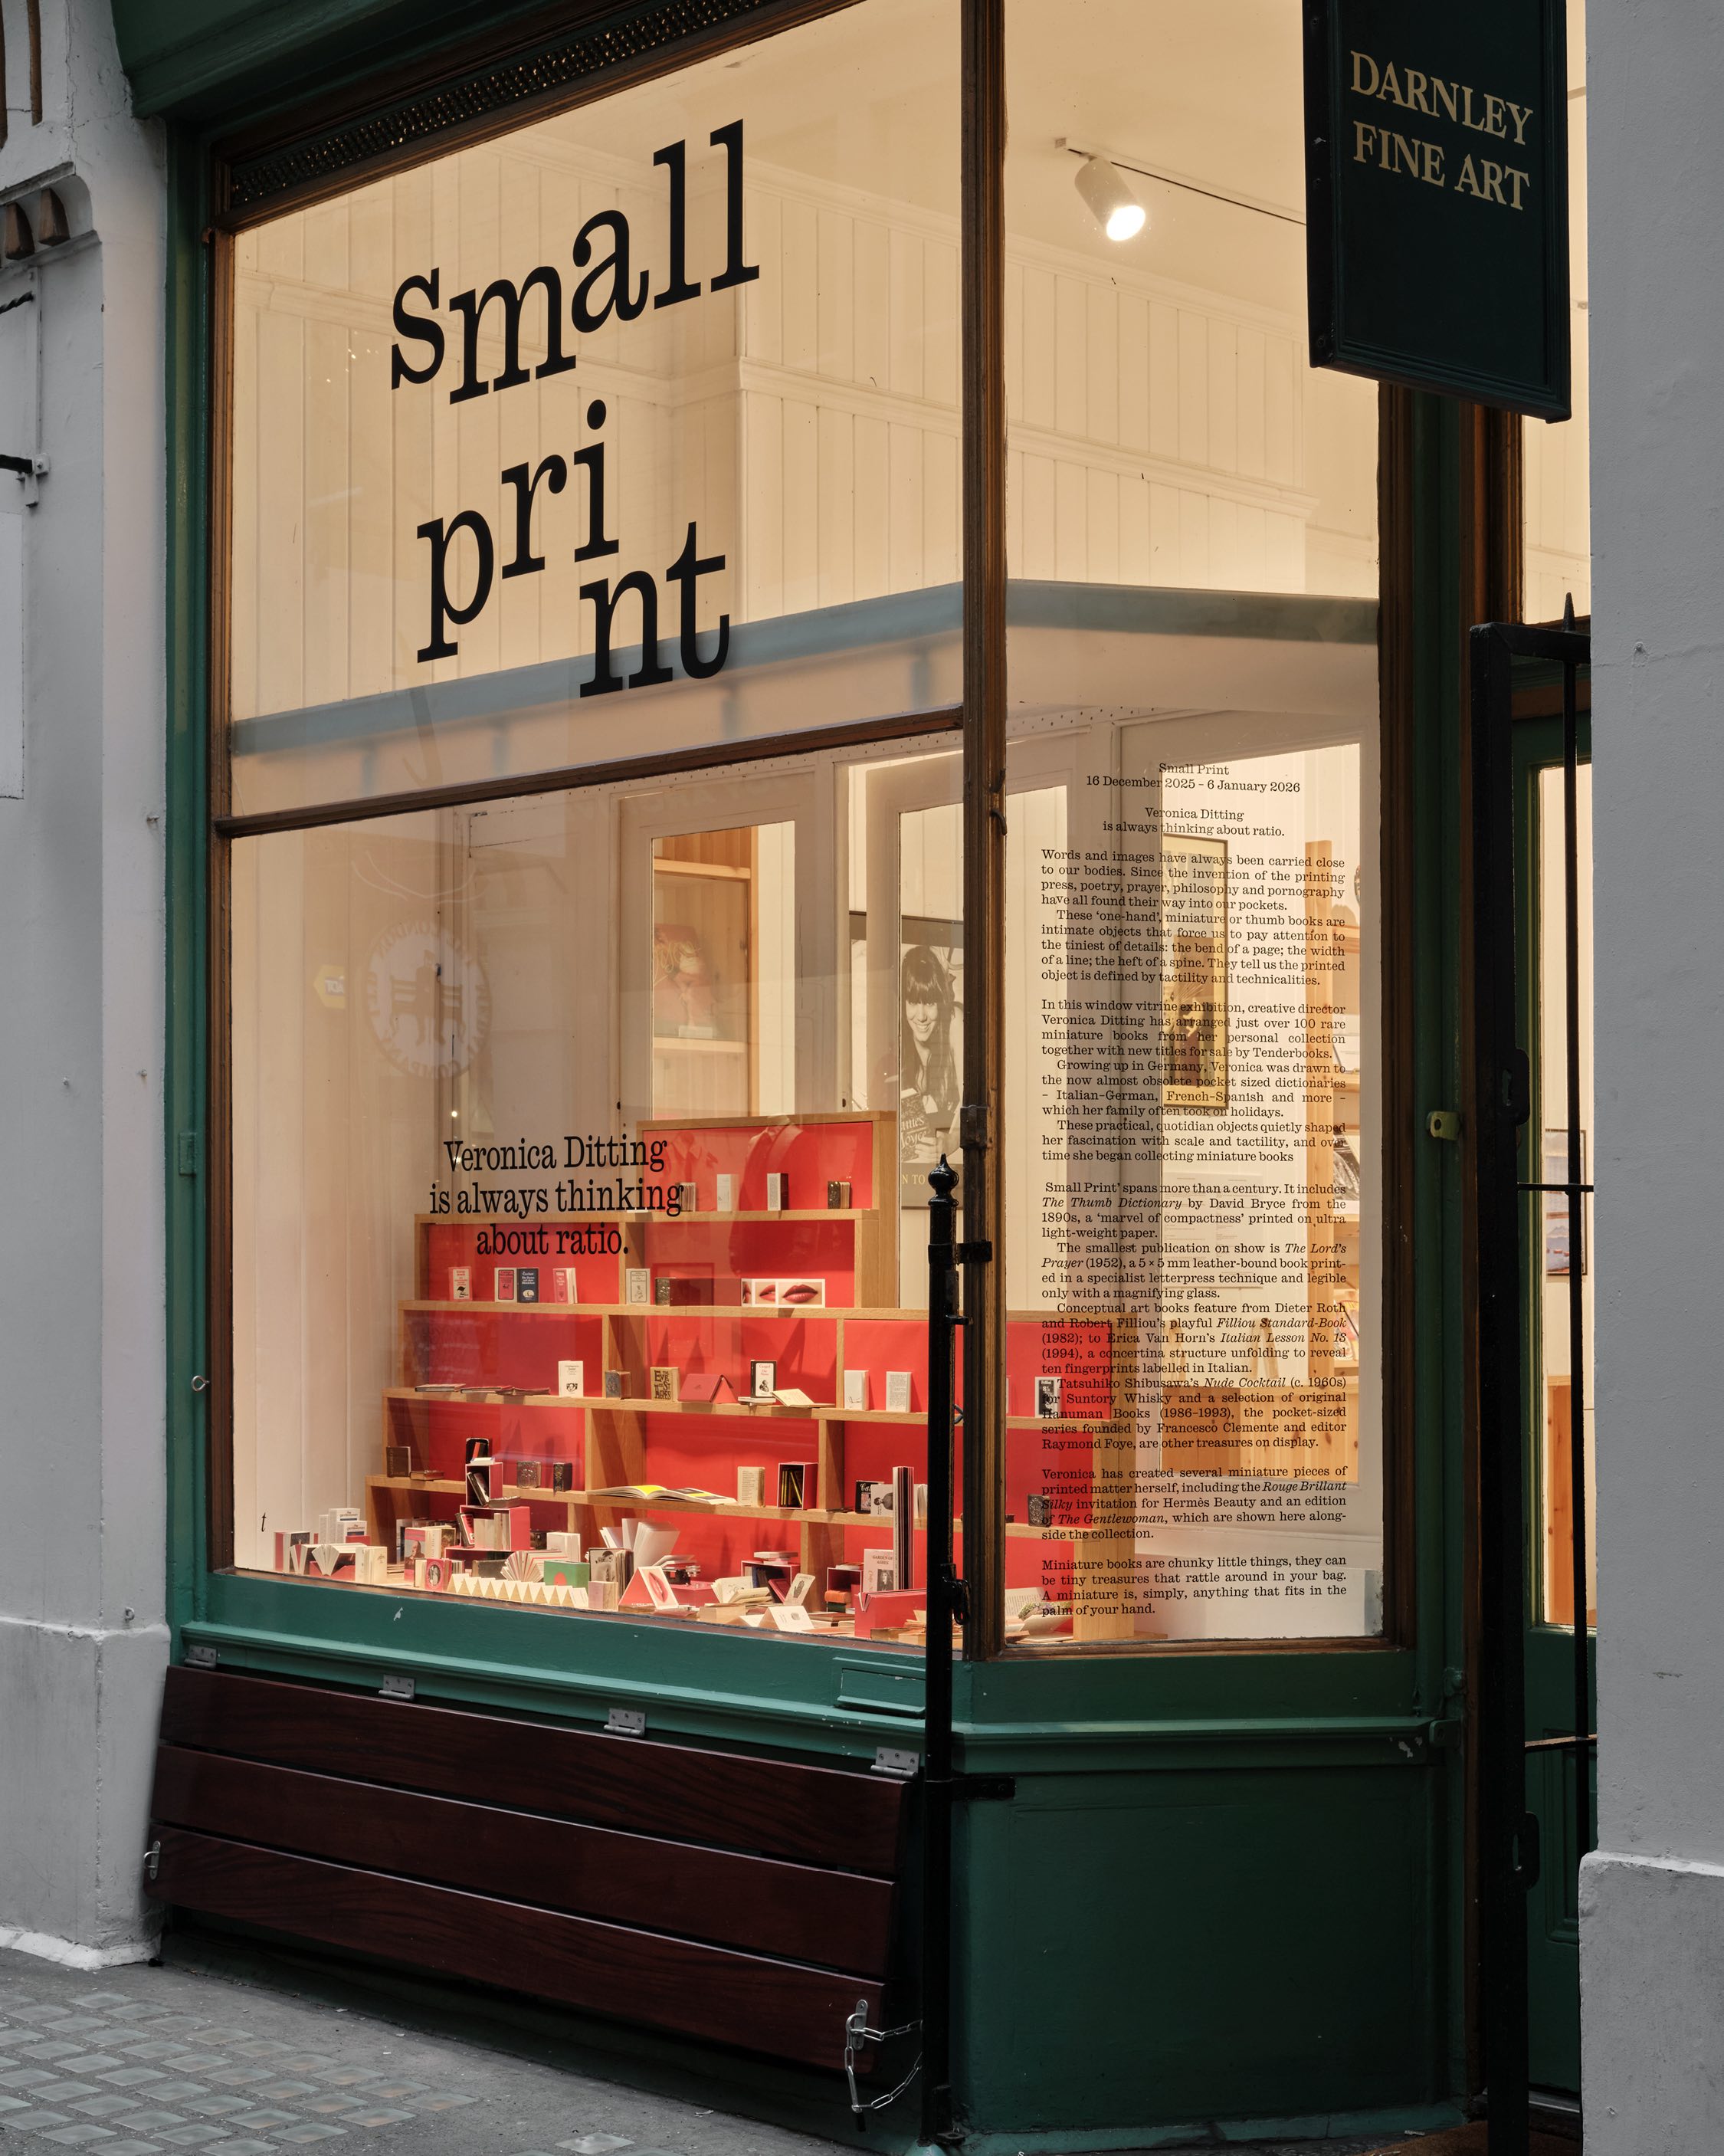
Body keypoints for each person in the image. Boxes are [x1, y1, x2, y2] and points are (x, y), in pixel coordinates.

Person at [896, 943, 960, 1163]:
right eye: (913, 1002)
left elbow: (973, 1101)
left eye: (930, 1003)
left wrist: (951, 1142)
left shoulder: (954, 1021)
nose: (921, 1016)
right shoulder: (897, 1040)